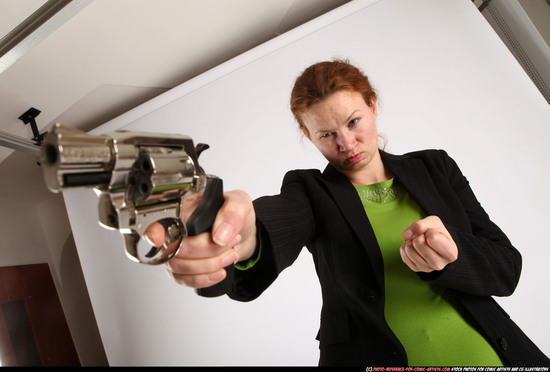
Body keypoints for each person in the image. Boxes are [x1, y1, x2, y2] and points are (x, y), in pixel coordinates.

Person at [147, 60, 549, 366]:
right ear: (308, 136)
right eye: (326, 134)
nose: (347, 143)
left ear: (373, 106)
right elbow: (277, 221)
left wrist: (454, 256)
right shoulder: (310, 191)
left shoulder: (435, 167)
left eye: (354, 121)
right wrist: (241, 235)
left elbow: (506, 268)